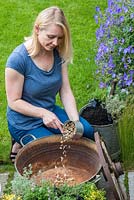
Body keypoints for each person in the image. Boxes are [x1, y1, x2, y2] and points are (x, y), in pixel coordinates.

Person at [5, 6, 94, 163]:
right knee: (56, 153)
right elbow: (13, 102)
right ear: (37, 29)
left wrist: (75, 122)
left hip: (50, 112)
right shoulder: (18, 59)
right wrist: (42, 113)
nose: (55, 43)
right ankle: (19, 141)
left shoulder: (58, 52)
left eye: (60, 38)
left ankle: (31, 140)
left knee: (86, 131)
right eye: (51, 36)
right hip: (24, 121)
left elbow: (65, 90)